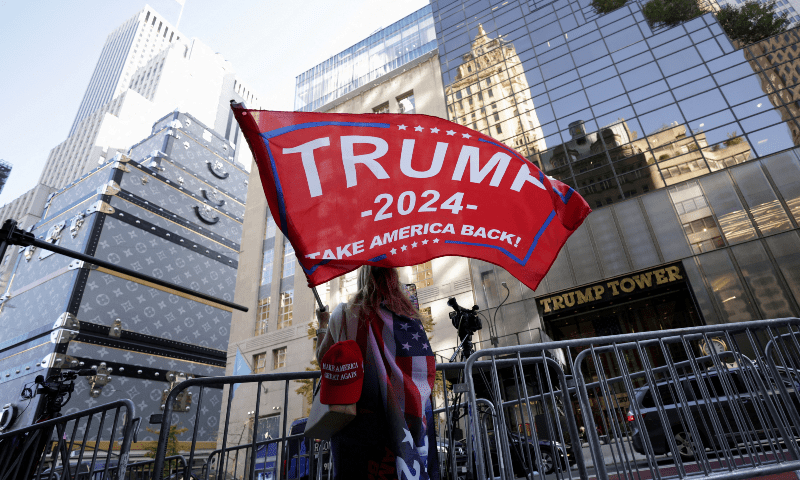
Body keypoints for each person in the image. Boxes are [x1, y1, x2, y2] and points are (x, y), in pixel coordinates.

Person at [316, 266, 439, 480]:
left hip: (356, 419)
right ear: (393, 278)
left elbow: (323, 358)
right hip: (405, 419)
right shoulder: (409, 317)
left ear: (362, 278)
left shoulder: (344, 313)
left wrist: (323, 323)